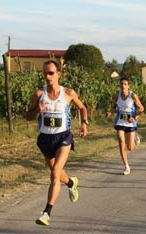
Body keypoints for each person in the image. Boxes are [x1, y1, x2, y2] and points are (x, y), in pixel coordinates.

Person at [26, 60, 88, 226]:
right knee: (56, 172)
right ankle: (71, 182)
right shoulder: (39, 94)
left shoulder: (68, 93)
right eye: (45, 73)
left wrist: (84, 124)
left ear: (58, 74)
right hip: (46, 139)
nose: (48, 76)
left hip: (63, 138)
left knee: (54, 174)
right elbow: (27, 116)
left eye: (51, 73)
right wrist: (36, 110)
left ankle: (46, 212)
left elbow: (82, 108)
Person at [107, 77, 144, 175]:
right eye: (121, 84)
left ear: (128, 86)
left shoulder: (133, 96)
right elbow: (113, 107)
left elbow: (141, 108)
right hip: (120, 122)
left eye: (125, 84)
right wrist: (110, 112)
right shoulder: (117, 96)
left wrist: (135, 117)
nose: (123, 86)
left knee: (130, 148)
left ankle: (135, 137)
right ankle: (126, 166)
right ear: (119, 85)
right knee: (120, 141)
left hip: (130, 123)